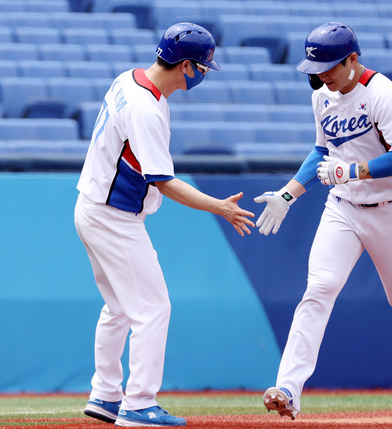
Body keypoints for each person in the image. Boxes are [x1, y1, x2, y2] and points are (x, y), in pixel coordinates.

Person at [255, 22, 392, 420]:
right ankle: (289, 387)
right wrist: (288, 194)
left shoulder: (384, 95)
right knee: (320, 287)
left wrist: (354, 171)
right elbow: (321, 152)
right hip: (343, 207)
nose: (321, 75)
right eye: (316, 68)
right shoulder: (322, 96)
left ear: (353, 60)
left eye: (330, 67)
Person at [74, 22, 255, 427]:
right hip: (114, 218)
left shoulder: (130, 80)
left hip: (91, 207)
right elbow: (164, 181)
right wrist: (219, 208)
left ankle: (105, 394)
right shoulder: (145, 108)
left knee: (119, 308)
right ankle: (138, 403)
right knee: (153, 308)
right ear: (187, 66)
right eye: (203, 67)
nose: (204, 74)